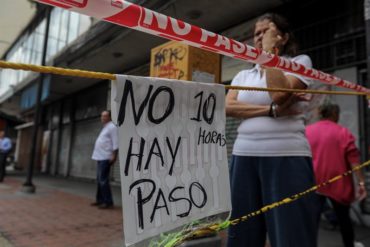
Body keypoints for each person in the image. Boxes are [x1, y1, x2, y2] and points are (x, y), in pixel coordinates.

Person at [226, 13, 318, 247]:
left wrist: (269, 54)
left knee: (291, 235)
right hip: (243, 156)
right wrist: (271, 111)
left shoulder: (301, 62)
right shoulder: (242, 74)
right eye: (256, 34)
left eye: (266, 31)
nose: (259, 37)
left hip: (286, 155)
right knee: (241, 233)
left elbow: (279, 93)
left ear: (283, 37)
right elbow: (228, 107)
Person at [306, 103, 367, 247]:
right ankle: (349, 244)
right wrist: (362, 184)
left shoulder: (307, 131)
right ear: (334, 114)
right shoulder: (343, 133)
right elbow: (354, 162)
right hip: (338, 185)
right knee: (344, 219)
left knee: (311, 220)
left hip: (314, 183)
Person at [91, 110, 118, 209]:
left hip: (106, 157)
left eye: (105, 116)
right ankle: (100, 200)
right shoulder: (105, 127)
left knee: (103, 180)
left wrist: (114, 156)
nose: (102, 118)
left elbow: (116, 142)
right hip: (100, 156)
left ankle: (108, 202)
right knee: (99, 180)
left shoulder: (112, 127)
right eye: (102, 116)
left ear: (110, 117)